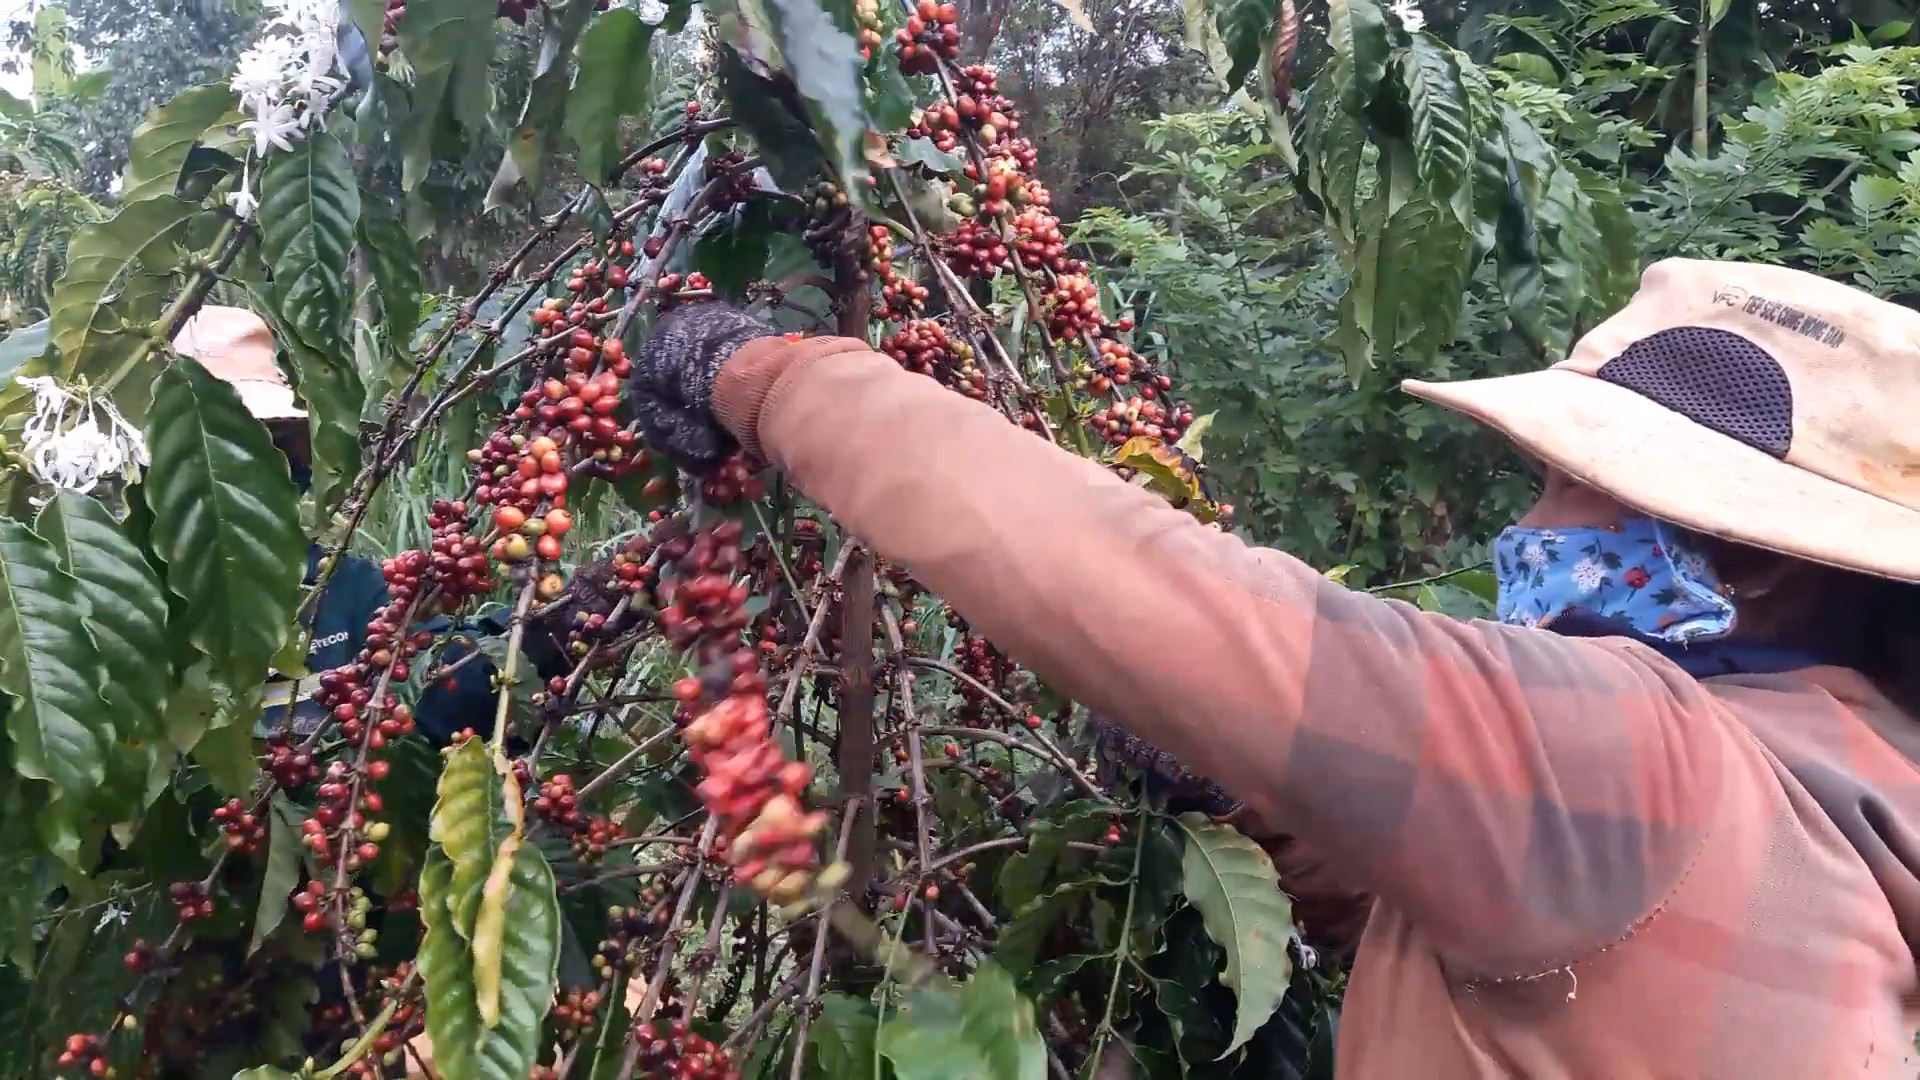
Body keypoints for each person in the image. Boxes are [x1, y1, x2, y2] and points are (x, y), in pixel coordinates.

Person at [625, 258, 1920, 1077]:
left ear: (1752, 564)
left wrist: (765, 375)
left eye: (1564, 490)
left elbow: (1154, 591)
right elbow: (1552, 966)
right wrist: (1259, 813)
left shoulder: (1654, 759)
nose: (1528, 528)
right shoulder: (1847, 783)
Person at [172, 307, 508, 745]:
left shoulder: (343, 587)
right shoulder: (133, 595)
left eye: (280, 444)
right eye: (233, 445)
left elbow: (444, 680)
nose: (271, 464)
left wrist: (540, 635)